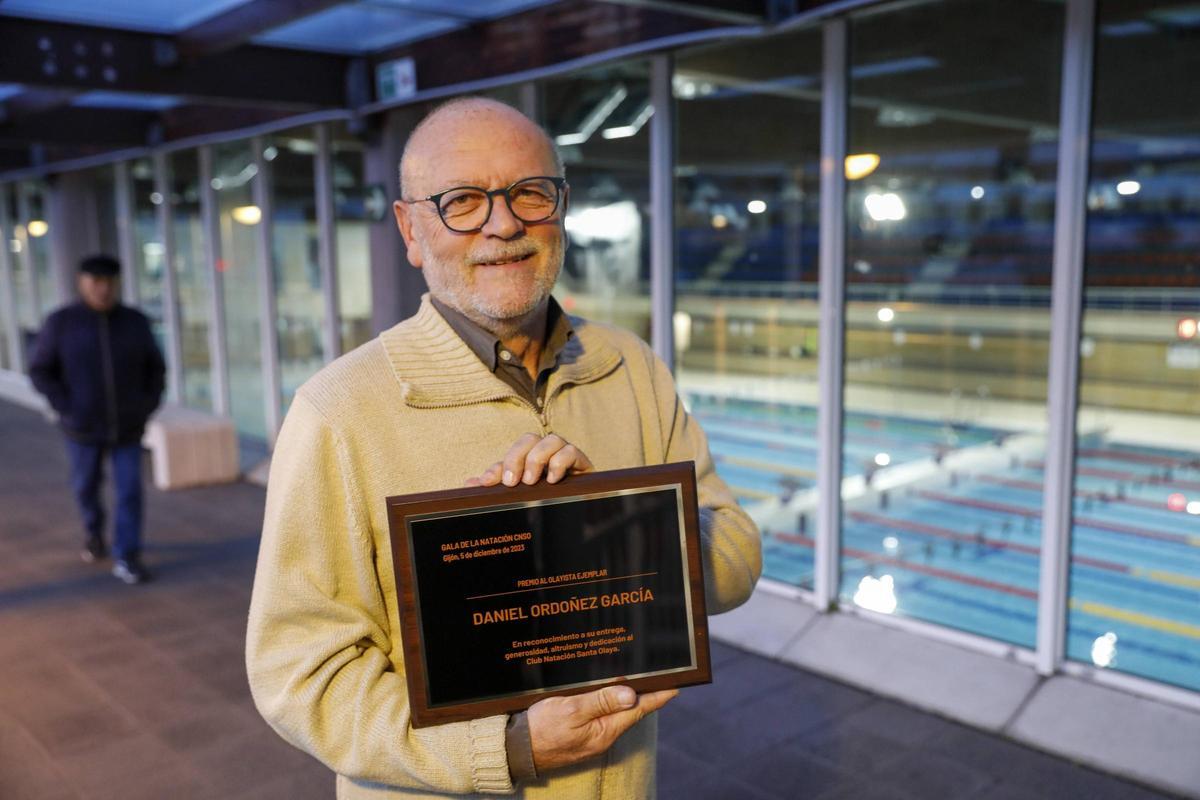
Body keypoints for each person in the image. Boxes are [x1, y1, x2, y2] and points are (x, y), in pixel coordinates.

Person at [246, 97, 761, 799]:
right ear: (410, 229)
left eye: (530, 193)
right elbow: (301, 672)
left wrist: (608, 521)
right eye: (462, 200)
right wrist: (505, 749)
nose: (505, 222)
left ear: (561, 209)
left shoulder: (631, 367)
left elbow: (734, 555)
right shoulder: (340, 411)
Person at [29, 254, 165, 584]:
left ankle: (127, 555)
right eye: (96, 282)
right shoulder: (61, 323)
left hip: (128, 428)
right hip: (81, 429)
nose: (103, 290)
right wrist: (66, 406)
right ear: (82, 282)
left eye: (109, 283)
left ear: (117, 284)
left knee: (130, 491)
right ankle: (94, 531)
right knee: (85, 487)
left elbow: (156, 368)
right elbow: (40, 370)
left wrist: (145, 405)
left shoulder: (134, 322)